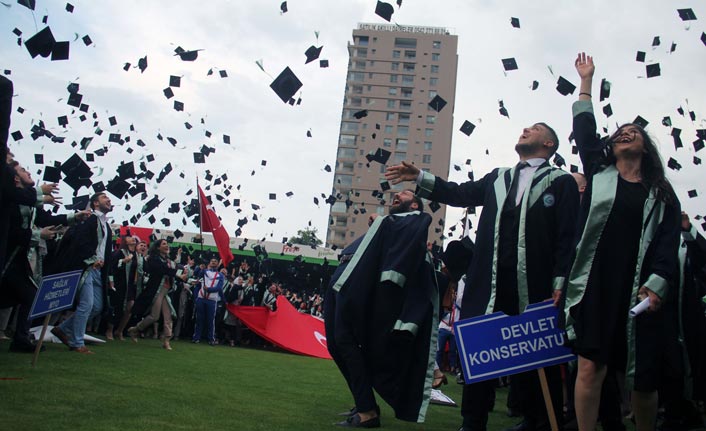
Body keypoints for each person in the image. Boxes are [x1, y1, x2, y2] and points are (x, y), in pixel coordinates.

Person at [386, 120, 578, 430]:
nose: (526, 128)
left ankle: (538, 420)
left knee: (534, 354)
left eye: (537, 128)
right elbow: (459, 193)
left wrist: (560, 279)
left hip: (534, 284)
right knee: (480, 352)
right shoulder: (498, 178)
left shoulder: (561, 182)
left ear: (549, 145)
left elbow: (568, 235)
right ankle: (472, 421)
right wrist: (419, 177)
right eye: (526, 126)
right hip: (488, 284)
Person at [564, 53, 681, 431]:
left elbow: (666, 245)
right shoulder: (599, 172)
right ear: (610, 148)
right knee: (589, 365)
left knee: (642, 379)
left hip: (639, 292)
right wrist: (586, 81)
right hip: (596, 284)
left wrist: (658, 285)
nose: (626, 133)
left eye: (634, 131)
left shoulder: (661, 193)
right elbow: (584, 130)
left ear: (646, 147)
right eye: (620, 132)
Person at [330, 189, 436, 428]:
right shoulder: (390, 225)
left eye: (406, 194)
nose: (398, 194)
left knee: (345, 341)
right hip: (341, 277)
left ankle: (367, 412)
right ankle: (364, 402)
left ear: (414, 206)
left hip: (355, 287)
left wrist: (382, 223)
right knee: (336, 345)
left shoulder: (414, 222)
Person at [1, 161, 88, 352]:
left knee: (27, 296)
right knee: (26, 295)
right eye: (23, 170)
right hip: (8, 256)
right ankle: (20, 338)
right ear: (15, 178)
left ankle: (21, 338)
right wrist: (37, 234)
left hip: (19, 258)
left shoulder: (30, 205)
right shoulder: (10, 201)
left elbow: (46, 219)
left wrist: (74, 217)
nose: (28, 172)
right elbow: (10, 232)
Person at [51, 192, 113, 354]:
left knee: (97, 307)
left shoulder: (106, 225)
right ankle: (77, 342)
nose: (109, 200)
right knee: (86, 304)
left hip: (99, 272)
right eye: (104, 197)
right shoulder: (90, 220)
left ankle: (62, 329)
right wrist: (92, 259)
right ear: (95, 203)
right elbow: (81, 243)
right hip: (87, 268)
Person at [128, 239, 190, 350]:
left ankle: (166, 340)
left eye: (167, 244)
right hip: (157, 290)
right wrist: (178, 275)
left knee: (169, 315)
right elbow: (163, 269)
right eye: (164, 244)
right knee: (154, 316)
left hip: (166, 291)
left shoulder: (168, 260)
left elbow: (174, 269)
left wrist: (184, 274)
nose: (167, 246)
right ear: (158, 247)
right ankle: (135, 329)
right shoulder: (154, 259)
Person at [106, 236, 137, 340]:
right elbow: (112, 267)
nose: (133, 239)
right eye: (129, 238)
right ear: (125, 241)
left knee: (130, 307)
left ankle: (119, 330)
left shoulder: (136, 255)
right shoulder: (119, 253)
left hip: (130, 285)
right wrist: (123, 261)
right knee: (117, 307)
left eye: (133, 238)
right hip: (119, 284)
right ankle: (109, 330)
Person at [192, 258, 225, 345]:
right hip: (201, 298)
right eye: (212, 261)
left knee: (211, 320)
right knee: (199, 319)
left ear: (218, 264)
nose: (213, 262)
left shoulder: (220, 275)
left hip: (212, 300)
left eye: (215, 261)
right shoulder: (204, 271)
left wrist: (209, 289)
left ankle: (211, 339)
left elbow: (219, 288)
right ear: (209, 263)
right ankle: (196, 337)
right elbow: (198, 282)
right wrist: (196, 297)